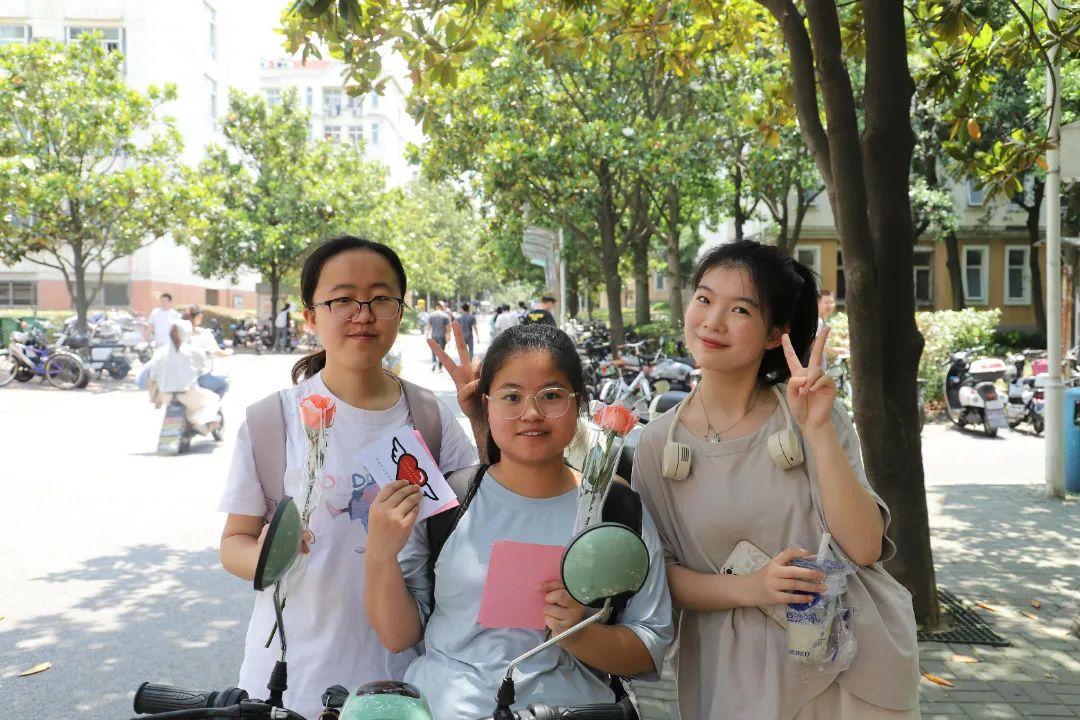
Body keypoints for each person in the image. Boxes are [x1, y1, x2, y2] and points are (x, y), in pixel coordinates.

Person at [631, 240, 919, 720]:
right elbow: (657, 576)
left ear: (774, 334)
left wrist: (817, 430)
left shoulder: (812, 413)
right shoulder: (658, 443)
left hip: (847, 663)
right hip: (735, 675)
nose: (712, 321)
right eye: (704, 299)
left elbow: (865, 546)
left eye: (740, 309)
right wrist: (754, 587)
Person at [217, 236, 479, 720]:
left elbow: (478, 525)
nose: (363, 314)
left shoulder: (430, 418)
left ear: (400, 311)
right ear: (311, 316)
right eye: (342, 300)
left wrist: (482, 420)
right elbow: (234, 542)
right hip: (289, 680)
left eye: (380, 298)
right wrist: (269, 557)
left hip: (402, 679)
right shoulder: (272, 421)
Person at [365, 324, 673, 720]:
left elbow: (649, 647)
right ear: (487, 404)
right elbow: (399, 636)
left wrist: (580, 634)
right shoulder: (447, 503)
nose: (531, 413)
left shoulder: (616, 510)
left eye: (551, 395)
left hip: (569, 710)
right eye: (511, 396)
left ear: (579, 403)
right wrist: (380, 555)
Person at [144, 319, 220, 428]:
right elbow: (202, 370)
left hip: (166, 397)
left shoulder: (159, 352)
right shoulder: (194, 351)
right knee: (213, 399)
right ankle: (203, 425)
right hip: (188, 395)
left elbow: (153, 375)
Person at [184, 305, 232, 398]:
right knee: (224, 384)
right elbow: (217, 352)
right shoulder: (204, 334)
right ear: (198, 317)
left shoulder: (177, 333)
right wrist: (228, 352)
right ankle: (214, 404)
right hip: (199, 377)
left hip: (180, 378)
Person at [426, 301, 452, 372]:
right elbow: (448, 328)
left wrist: (427, 335)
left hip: (434, 335)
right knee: (441, 351)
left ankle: (434, 363)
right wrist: (449, 336)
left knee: (433, 350)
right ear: (442, 307)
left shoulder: (431, 315)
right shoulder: (445, 316)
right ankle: (440, 367)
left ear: (436, 306)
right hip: (442, 336)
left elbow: (429, 327)